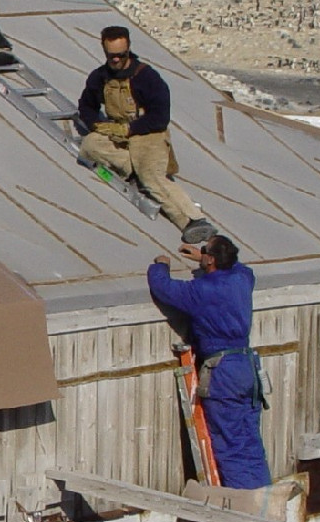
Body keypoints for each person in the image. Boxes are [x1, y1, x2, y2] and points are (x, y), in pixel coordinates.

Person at [148, 236, 271, 490]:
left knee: (230, 444)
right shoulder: (241, 281)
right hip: (247, 367)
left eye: (205, 251)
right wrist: (200, 256)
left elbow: (163, 288)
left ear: (211, 259)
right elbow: (242, 268)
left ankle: (244, 507)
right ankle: (263, 498)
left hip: (222, 372)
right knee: (249, 439)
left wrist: (160, 265)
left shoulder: (201, 291)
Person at [77, 25, 215, 244]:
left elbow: (160, 116)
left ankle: (192, 220)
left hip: (148, 133)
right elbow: (86, 105)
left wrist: (130, 129)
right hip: (118, 131)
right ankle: (133, 170)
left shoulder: (148, 78)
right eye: (111, 56)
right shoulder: (100, 78)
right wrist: (97, 124)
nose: (115, 60)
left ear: (129, 49)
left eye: (120, 55)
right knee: (90, 146)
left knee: (152, 177)